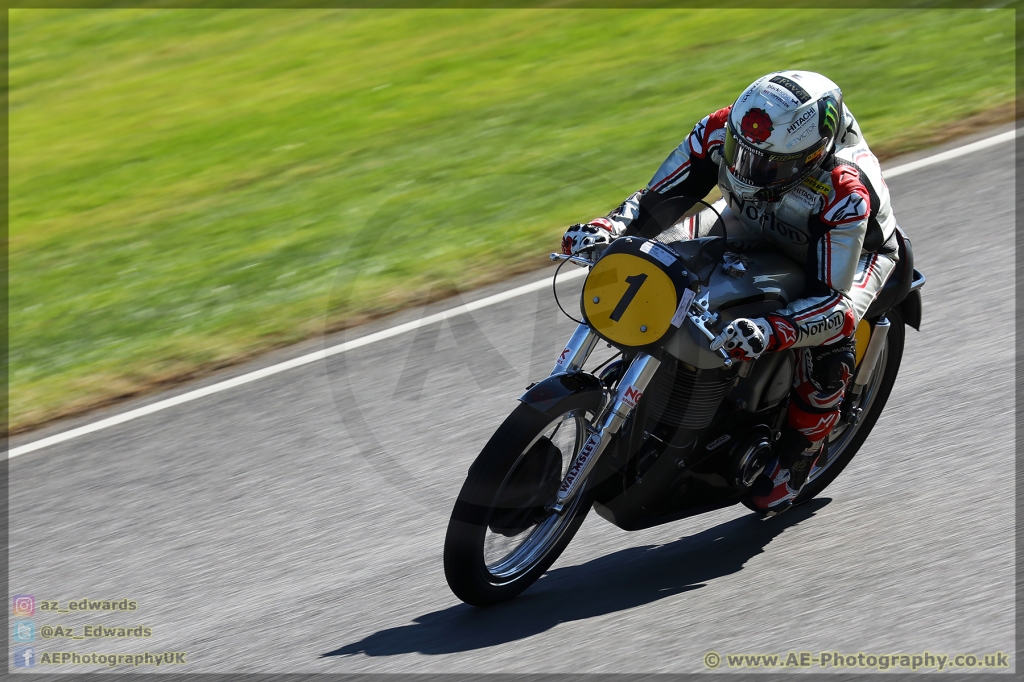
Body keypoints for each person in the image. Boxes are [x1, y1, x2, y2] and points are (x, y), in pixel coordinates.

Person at [561, 70, 900, 515]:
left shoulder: (844, 190)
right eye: (741, 153)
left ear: (811, 156)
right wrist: (610, 227)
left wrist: (770, 329)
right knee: (658, 256)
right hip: (753, 217)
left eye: (766, 164)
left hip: (851, 255)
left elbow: (833, 305)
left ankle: (798, 457)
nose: (744, 169)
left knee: (831, 337)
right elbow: (655, 201)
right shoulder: (723, 128)